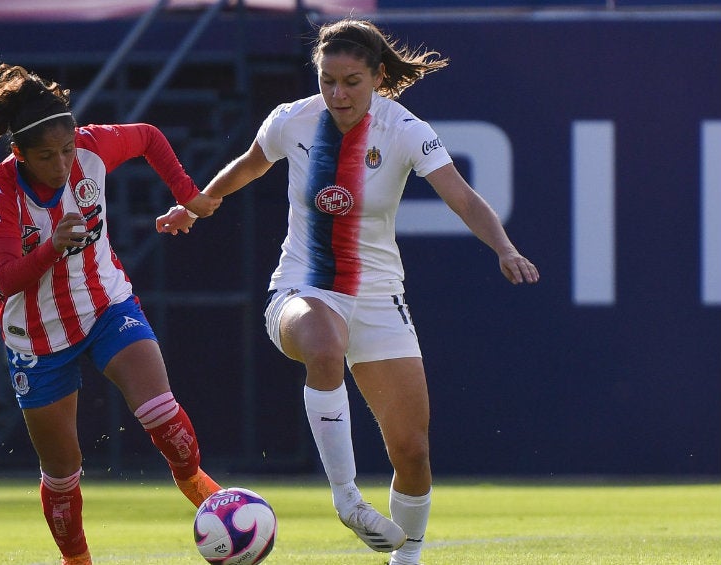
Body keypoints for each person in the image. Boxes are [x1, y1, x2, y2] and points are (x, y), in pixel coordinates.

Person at [157, 18, 539, 565]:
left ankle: (406, 558)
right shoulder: (292, 121)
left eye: (352, 81)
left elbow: (462, 197)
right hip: (301, 287)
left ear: (379, 77)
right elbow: (248, 167)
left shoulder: (405, 129)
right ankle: (346, 497)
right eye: (327, 80)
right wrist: (199, 203)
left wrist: (504, 248)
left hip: (380, 296)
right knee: (321, 340)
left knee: (412, 451)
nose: (337, 94)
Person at [0, 64, 223, 565]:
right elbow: (6, 280)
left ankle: (203, 493)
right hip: (37, 338)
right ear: (19, 154)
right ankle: (77, 561)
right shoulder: (0, 191)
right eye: (46, 156)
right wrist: (51, 249)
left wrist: (187, 195)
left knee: (162, 415)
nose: (62, 163)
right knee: (63, 472)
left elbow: (148, 136)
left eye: (66, 150)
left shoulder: (92, 148)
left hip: (106, 305)